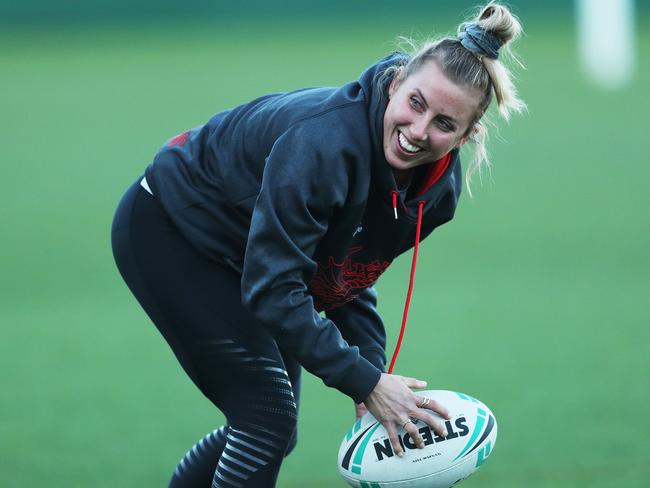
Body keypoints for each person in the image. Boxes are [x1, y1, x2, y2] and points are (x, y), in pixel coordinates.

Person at [111, 3, 525, 487]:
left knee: (270, 430)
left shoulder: (434, 194)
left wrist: (369, 372)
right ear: (395, 84)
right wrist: (367, 382)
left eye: (444, 123)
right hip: (173, 228)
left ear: (466, 136)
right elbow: (274, 289)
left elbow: (342, 275)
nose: (418, 131)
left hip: (253, 254)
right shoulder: (324, 146)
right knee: (265, 418)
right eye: (416, 103)